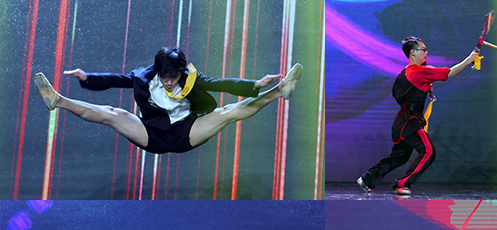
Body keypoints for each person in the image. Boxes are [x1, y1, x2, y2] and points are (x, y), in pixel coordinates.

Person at [34, 47, 303, 154]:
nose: (169, 82)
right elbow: (117, 80)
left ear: (180, 71)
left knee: (228, 112)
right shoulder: (143, 77)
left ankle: (279, 91)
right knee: (112, 114)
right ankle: (58, 100)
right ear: (158, 71)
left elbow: (219, 84)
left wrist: (255, 84)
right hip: (152, 134)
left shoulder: (191, 77)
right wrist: (87, 77)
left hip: (187, 132)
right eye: (165, 77)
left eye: (173, 77)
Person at [356, 37, 479, 196]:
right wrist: (470, 58)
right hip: (410, 122)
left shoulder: (404, 73)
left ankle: (367, 179)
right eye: (423, 50)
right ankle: (402, 183)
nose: (426, 53)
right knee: (428, 152)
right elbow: (450, 72)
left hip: (401, 122)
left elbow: (398, 96)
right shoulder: (420, 72)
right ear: (413, 52)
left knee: (399, 158)